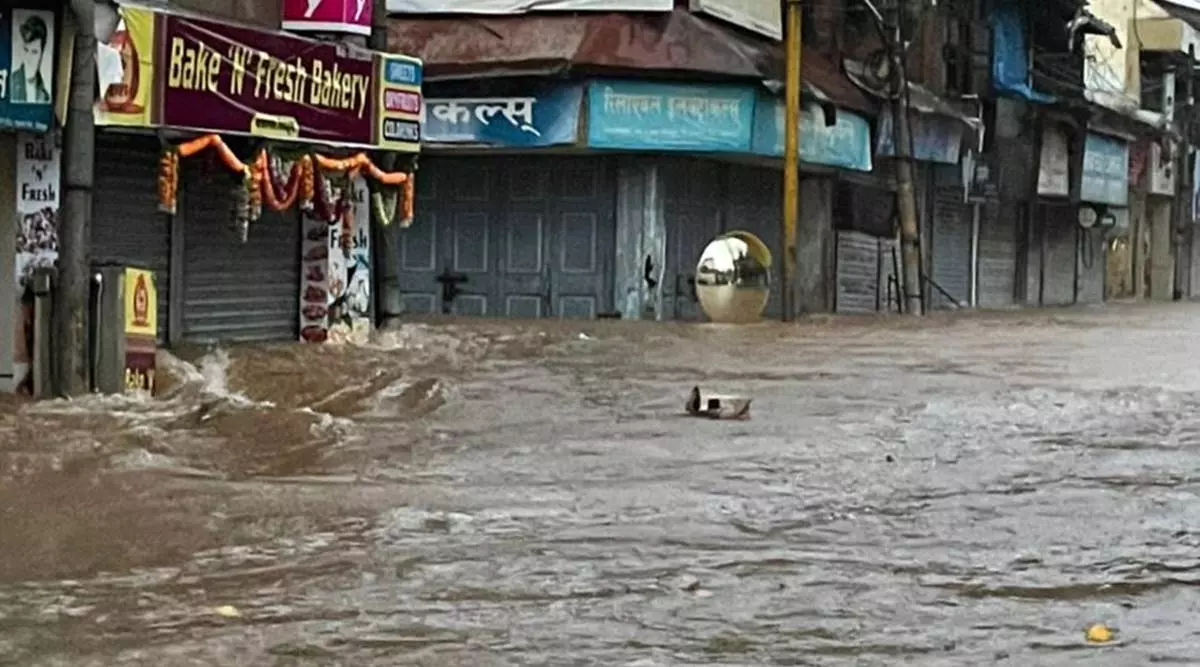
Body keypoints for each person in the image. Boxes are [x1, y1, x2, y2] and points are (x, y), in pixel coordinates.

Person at [11, 14, 51, 104]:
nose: (28, 59)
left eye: (34, 52)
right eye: (26, 50)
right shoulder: (11, 83)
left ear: (42, 54)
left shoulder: (45, 96)